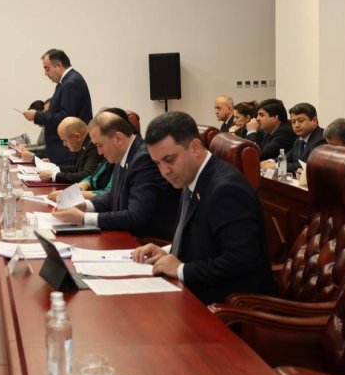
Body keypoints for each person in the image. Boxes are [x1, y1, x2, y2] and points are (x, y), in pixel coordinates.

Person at [131, 112, 275, 305]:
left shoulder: (227, 190)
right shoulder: (190, 175)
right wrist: (167, 251)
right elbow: (205, 243)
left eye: (169, 159)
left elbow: (241, 260)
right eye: (157, 163)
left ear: (196, 148)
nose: (164, 171)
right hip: (198, 294)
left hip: (230, 307)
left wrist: (181, 269)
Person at [53, 111, 179, 240]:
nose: (99, 152)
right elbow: (113, 195)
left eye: (100, 145)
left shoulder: (143, 159)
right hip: (130, 235)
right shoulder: (124, 154)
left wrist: (84, 218)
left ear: (118, 138)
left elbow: (135, 217)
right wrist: (85, 205)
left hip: (148, 240)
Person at [22, 49, 92, 165]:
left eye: (47, 68)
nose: (45, 73)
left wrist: (36, 116)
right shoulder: (65, 82)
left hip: (68, 152)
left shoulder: (71, 83)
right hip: (62, 152)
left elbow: (65, 118)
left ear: (59, 65)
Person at [261, 103, 325, 173]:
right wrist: (270, 161)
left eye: (301, 121)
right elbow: (288, 157)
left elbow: (306, 164)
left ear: (314, 120)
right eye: (293, 122)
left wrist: (276, 166)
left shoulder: (321, 139)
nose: (296, 125)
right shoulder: (299, 140)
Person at [38, 117, 99, 184]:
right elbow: (77, 168)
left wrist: (53, 176)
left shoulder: (93, 144)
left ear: (77, 137)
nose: (64, 144)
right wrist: (54, 167)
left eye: (65, 140)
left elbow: (86, 175)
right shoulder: (84, 142)